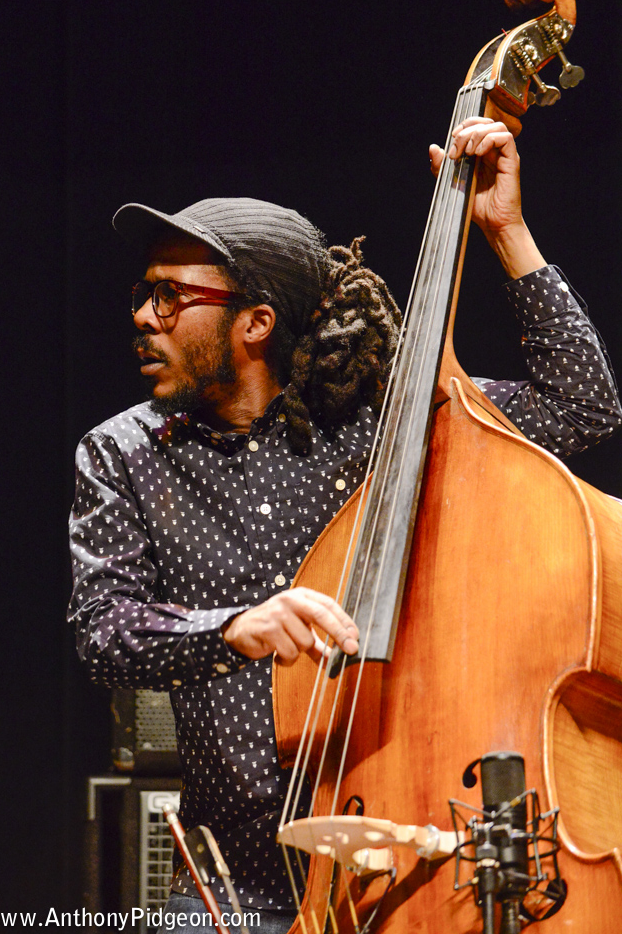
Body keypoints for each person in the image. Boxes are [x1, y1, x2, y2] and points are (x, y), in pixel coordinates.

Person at [68, 118, 621, 934]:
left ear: (254, 323)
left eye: (170, 297)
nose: (144, 316)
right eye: (141, 295)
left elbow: (582, 404)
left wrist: (505, 231)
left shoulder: (396, 427)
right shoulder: (121, 452)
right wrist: (236, 626)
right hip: (233, 891)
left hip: (412, 862)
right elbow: (103, 632)